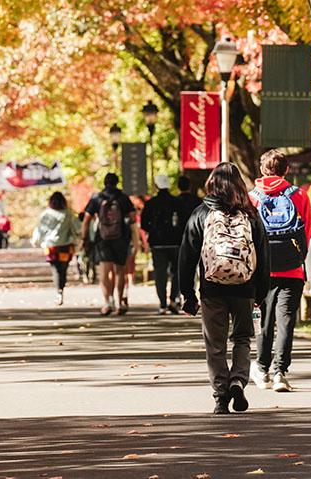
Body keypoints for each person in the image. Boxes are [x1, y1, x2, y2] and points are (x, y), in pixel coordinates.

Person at [179, 162, 270, 414]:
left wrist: (187, 293)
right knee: (242, 338)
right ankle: (238, 381)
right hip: (244, 287)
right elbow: (263, 256)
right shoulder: (251, 216)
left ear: (212, 184)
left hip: (212, 288)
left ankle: (220, 396)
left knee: (215, 344)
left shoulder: (200, 214)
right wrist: (261, 293)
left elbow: (186, 256)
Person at [249, 148, 311, 393]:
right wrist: (298, 257)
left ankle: (262, 369)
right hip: (292, 269)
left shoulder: (251, 197)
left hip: (262, 270)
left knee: (264, 321)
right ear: (286, 170)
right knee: (286, 321)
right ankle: (280, 373)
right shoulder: (299, 196)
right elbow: (307, 232)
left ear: (262, 170)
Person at [82, 173, 138, 316]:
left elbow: (86, 219)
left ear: (105, 183)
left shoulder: (97, 198)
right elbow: (132, 218)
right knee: (120, 271)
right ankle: (120, 303)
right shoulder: (123, 198)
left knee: (105, 272)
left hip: (102, 239)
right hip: (121, 238)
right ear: (117, 183)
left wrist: (85, 238)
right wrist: (135, 240)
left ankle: (108, 302)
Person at [141, 173, 185, 313]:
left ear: (156, 186)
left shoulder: (150, 203)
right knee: (177, 272)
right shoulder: (177, 202)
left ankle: (162, 304)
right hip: (176, 242)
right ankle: (174, 299)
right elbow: (184, 222)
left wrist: (153, 231)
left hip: (157, 243)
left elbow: (143, 224)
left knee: (160, 274)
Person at [32, 191, 81, 305]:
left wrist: (36, 241)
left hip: (51, 246)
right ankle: (61, 289)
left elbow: (40, 229)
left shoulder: (46, 214)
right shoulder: (68, 214)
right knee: (63, 269)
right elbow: (78, 228)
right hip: (66, 246)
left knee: (55, 269)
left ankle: (58, 291)